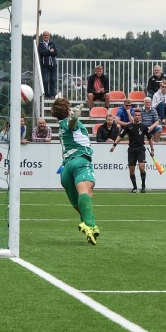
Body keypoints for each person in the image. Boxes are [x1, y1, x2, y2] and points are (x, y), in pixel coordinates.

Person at [50, 97, 99, 244]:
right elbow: (71, 124)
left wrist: (59, 102)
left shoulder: (60, 123)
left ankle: (91, 226)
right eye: (69, 107)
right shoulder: (69, 122)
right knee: (86, 190)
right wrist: (74, 117)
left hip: (65, 169)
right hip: (80, 161)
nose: (72, 108)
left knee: (82, 200)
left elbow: (67, 122)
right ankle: (89, 225)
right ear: (67, 110)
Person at [110, 110, 155, 193]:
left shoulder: (144, 127)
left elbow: (150, 138)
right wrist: (114, 145)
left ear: (141, 117)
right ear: (133, 116)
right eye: (136, 115)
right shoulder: (128, 126)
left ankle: (143, 186)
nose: (137, 116)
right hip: (131, 150)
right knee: (131, 170)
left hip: (141, 149)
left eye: (139, 115)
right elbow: (120, 136)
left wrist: (152, 149)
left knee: (142, 167)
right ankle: (135, 187)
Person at [38, 31, 58, 98]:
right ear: (42, 36)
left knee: (53, 80)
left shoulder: (52, 43)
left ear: (49, 36)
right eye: (45, 35)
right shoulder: (41, 44)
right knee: (45, 80)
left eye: (47, 35)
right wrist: (49, 51)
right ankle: (46, 94)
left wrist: (47, 53)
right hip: (45, 65)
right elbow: (41, 52)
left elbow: (55, 53)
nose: (46, 36)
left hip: (53, 64)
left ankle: (52, 94)